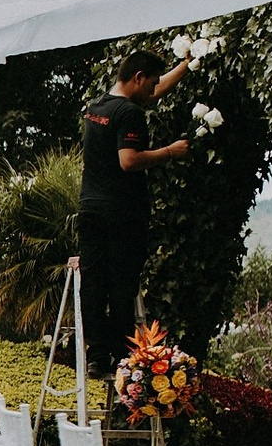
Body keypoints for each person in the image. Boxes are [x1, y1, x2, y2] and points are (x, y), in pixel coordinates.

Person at [76, 50, 193, 371]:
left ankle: (97, 355)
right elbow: (128, 161)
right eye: (151, 82)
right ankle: (122, 355)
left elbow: (152, 92)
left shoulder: (98, 106)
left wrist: (187, 64)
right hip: (122, 213)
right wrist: (170, 152)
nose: (154, 90)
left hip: (90, 209)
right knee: (122, 284)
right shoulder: (129, 113)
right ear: (138, 77)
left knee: (93, 283)